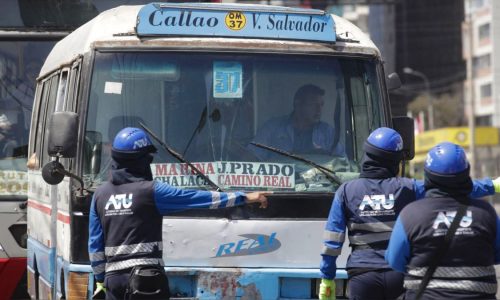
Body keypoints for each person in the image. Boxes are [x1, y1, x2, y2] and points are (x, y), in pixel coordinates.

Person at [88, 127, 270, 300]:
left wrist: (100, 280)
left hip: (113, 281)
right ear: (142, 160)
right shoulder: (151, 191)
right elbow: (200, 198)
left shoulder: (100, 195)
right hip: (146, 280)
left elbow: (95, 245)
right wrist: (243, 197)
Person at [318, 128, 499, 300]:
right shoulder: (407, 187)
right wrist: (492, 185)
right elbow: (450, 186)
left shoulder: (346, 191)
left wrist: (327, 278)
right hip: (398, 276)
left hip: (362, 276)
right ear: (395, 161)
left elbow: (332, 241)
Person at [385, 142, 500, 300]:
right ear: (466, 173)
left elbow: (395, 261)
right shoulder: (486, 213)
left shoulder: (410, 214)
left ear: (428, 175)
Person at [251, 84, 343, 159]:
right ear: (297, 104)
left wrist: (324, 155)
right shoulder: (272, 128)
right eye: (313, 104)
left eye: (321, 105)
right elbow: (252, 157)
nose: (319, 109)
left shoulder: (327, 132)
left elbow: (343, 163)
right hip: (280, 181)